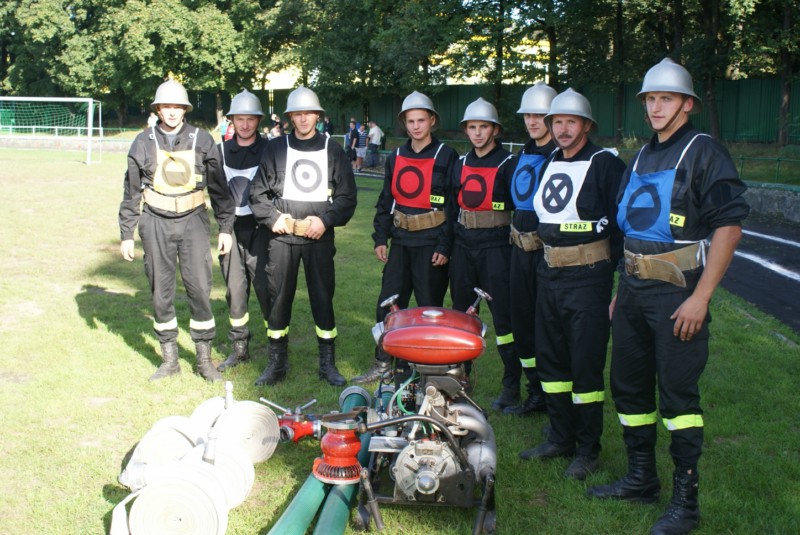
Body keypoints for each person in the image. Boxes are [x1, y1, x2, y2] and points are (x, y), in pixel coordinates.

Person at [586, 58, 749, 535]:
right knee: (629, 389)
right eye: (651, 99)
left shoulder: (704, 152)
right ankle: (641, 479)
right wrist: (621, 290)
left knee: (678, 398)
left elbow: (729, 228)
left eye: (666, 98)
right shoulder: (640, 156)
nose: (656, 107)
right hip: (633, 295)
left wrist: (701, 298)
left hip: (678, 297)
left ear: (686, 104)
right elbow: (632, 232)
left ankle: (686, 502)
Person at [520, 88, 627, 482]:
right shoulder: (550, 160)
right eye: (557, 122)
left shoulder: (605, 164)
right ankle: (560, 436)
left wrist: (619, 282)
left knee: (584, 365)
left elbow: (622, 226)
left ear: (586, 125)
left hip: (588, 279)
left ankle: (587, 449)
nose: (563, 129)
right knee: (551, 361)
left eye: (571, 122)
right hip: (549, 275)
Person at [118, 79, 234, 382]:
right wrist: (127, 233)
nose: (171, 112)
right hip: (155, 222)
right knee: (161, 291)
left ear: (185, 109)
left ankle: (204, 361)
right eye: (166, 106)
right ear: (158, 109)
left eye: (177, 106)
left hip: (194, 221)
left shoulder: (202, 140)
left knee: (200, 289)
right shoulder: (142, 142)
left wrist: (225, 227)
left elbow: (220, 189)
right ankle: (169, 360)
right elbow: (131, 191)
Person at [249, 86, 357, 387]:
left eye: (309, 113)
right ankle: (277, 364)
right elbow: (256, 193)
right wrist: (273, 218)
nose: (304, 118)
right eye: (298, 113)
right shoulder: (276, 148)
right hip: (282, 239)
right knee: (278, 299)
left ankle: (327, 364)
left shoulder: (333, 149)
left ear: (318, 116)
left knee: (322, 298)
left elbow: (347, 197)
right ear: (290, 117)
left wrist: (325, 220)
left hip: (318, 239)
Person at [351, 91, 458, 384]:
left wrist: (444, 245)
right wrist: (380, 238)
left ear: (432, 120)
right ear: (404, 123)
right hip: (400, 243)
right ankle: (383, 363)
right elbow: (387, 200)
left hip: (431, 245)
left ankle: (428, 370)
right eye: (410, 121)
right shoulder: (396, 155)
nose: (416, 126)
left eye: (421, 120)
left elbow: (453, 206)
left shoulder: (446, 155)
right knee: (388, 303)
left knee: (428, 309)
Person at [448, 98, 516, 407]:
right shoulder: (460, 163)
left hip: (496, 247)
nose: (477, 133)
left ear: (495, 130)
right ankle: (459, 378)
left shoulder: (509, 163)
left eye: (483, 127)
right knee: (461, 316)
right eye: (472, 127)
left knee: (504, 319)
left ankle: (511, 384)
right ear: (466, 130)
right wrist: (447, 246)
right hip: (464, 246)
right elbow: (452, 207)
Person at [502, 82, 558, 416]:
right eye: (528, 115)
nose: (533, 121)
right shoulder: (521, 155)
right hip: (518, 252)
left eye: (540, 115)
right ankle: (535, 391)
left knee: (547, 325)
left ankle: (554, 397)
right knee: (521, 322)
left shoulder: (560, 156)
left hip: (546, 256)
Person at [213, 90, 271, 372]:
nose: (245, 125)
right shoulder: (220, 151)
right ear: (232, 120)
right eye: (240, 119)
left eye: (250, 119)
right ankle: (239, 348)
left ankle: (276, 348)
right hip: (231, 230)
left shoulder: (271, 149)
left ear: (258, 120)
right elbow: (215, 192)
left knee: (266, 288)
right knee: (235, 291)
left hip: (263, 229)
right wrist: (223, 228)